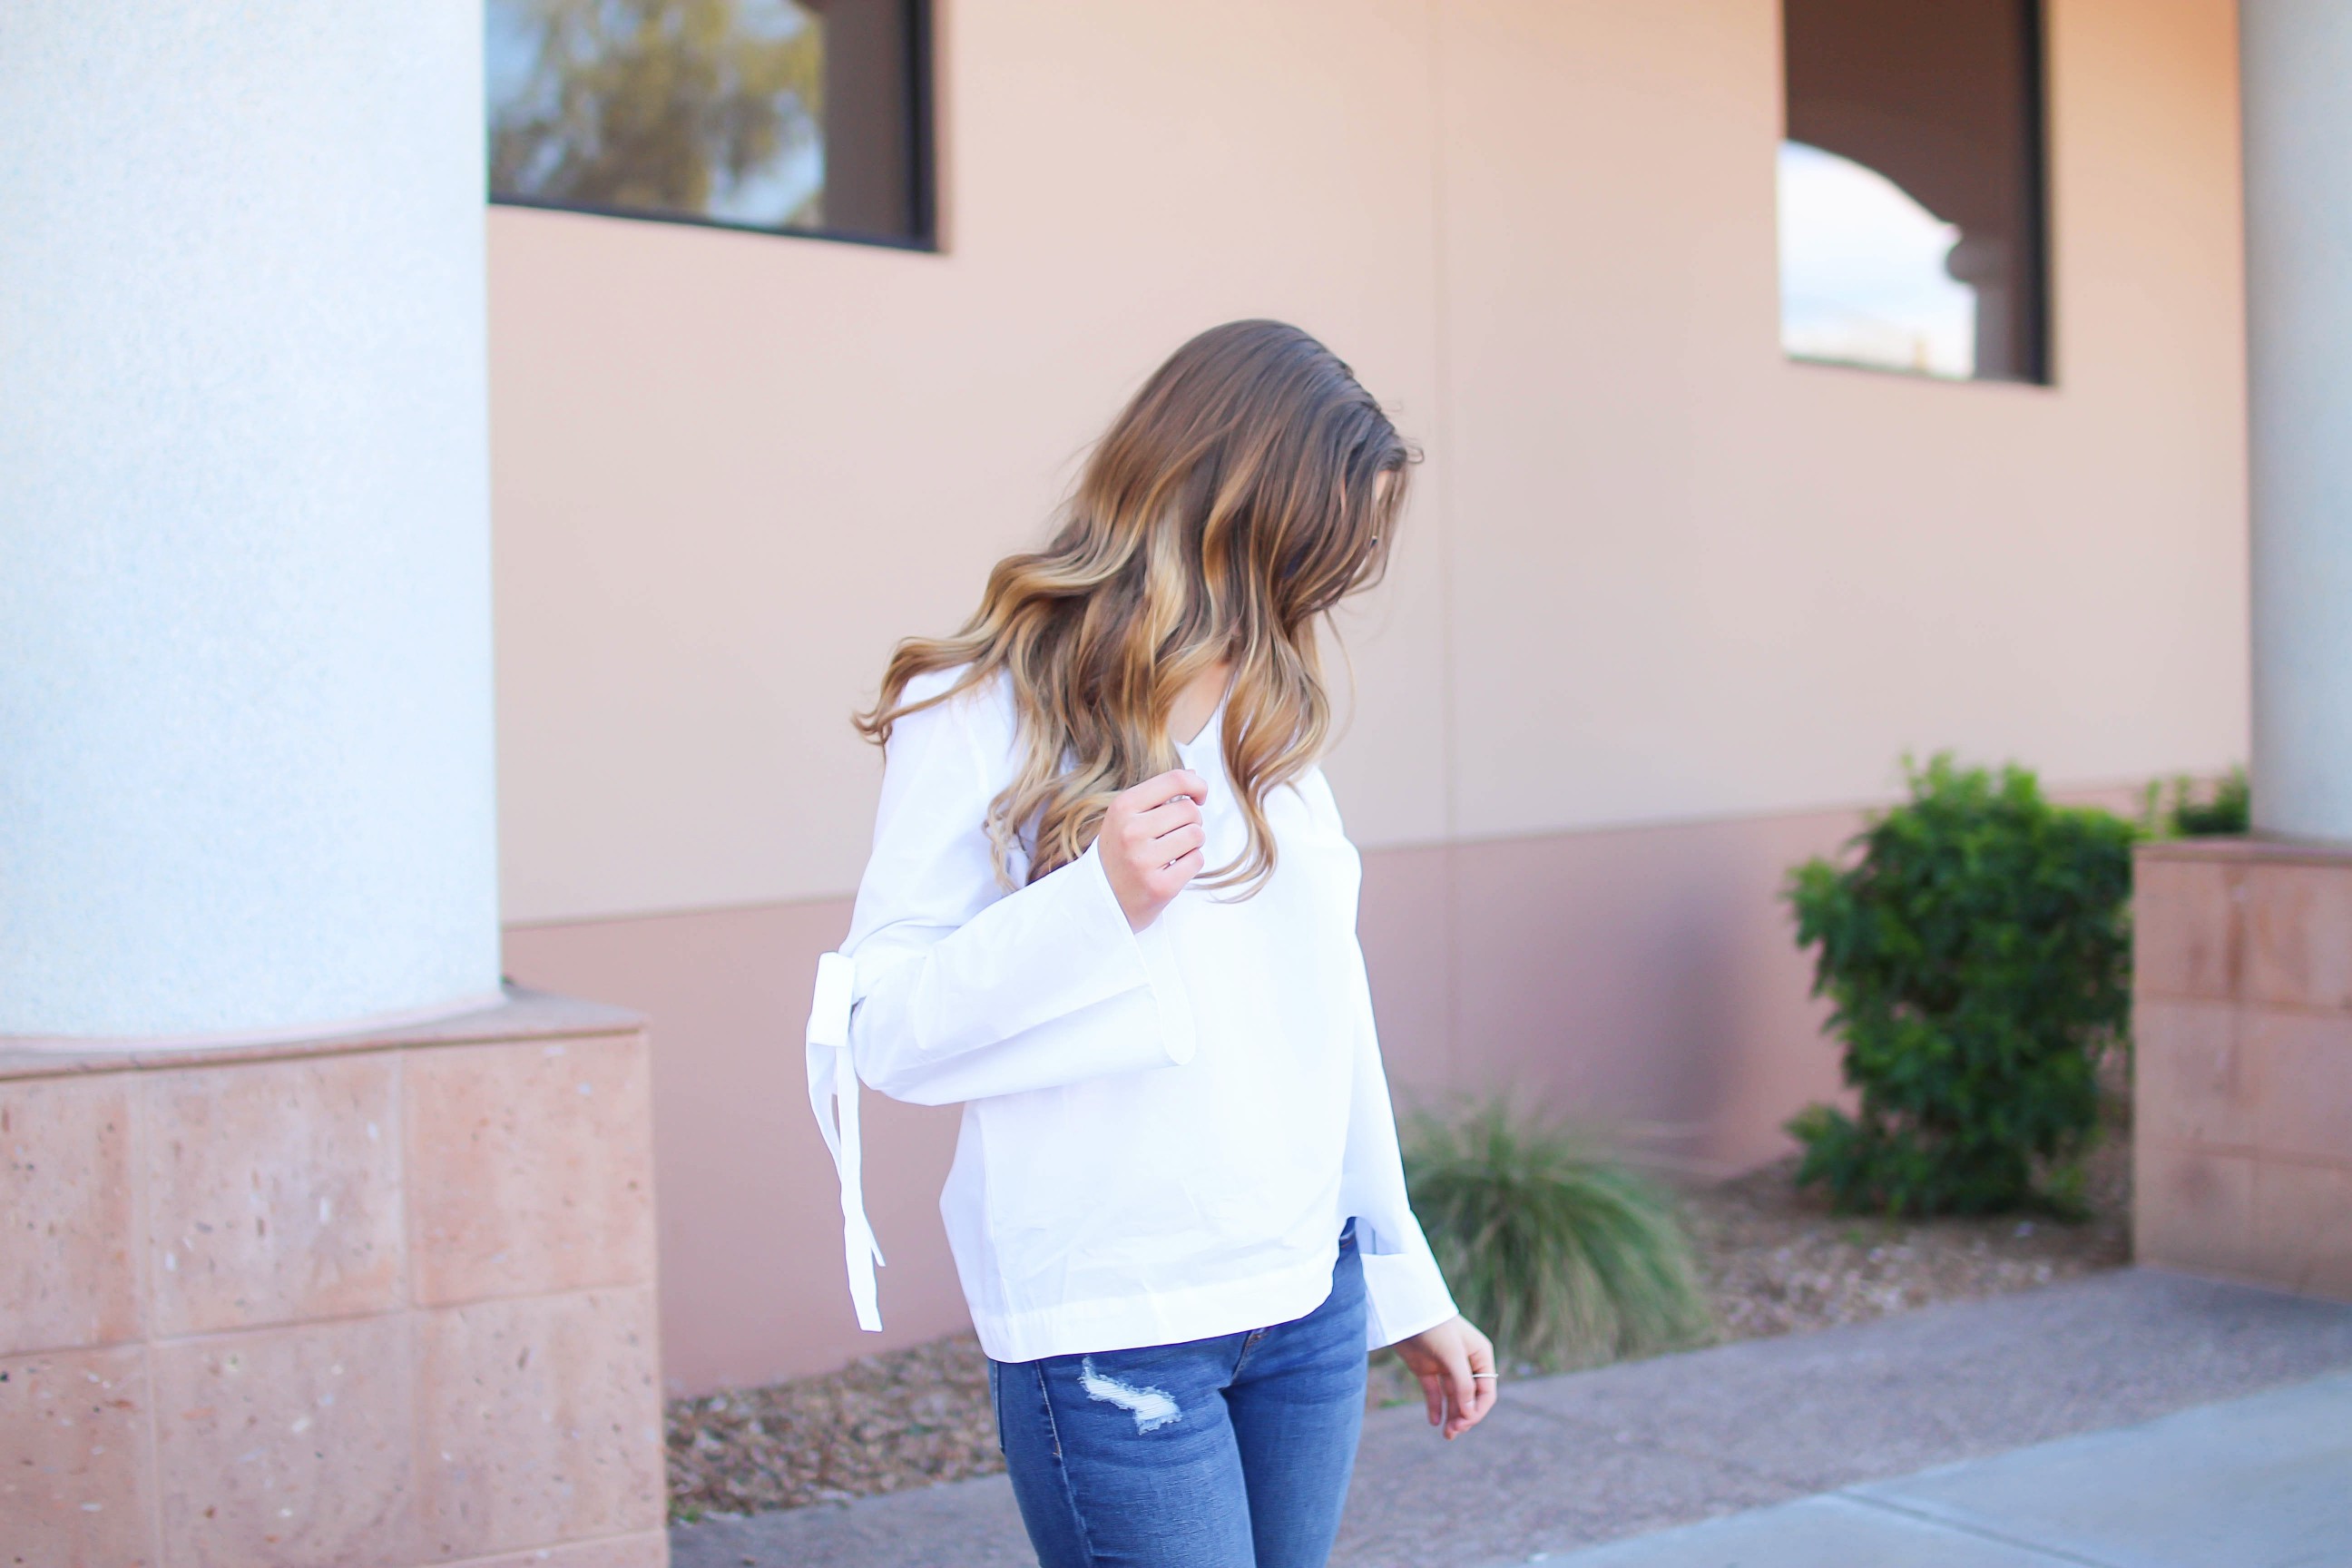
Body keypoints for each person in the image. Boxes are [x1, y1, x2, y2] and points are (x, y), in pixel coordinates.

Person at [804, 319, 1496, 1568]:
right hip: (1114, 1327)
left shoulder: (1267, 728)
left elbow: (1327, 1018)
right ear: (1232, 520)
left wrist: (1408, 1284)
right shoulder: (974, 709)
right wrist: (1093, 904)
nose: (1333, 592)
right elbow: (884, 1033)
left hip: (1307, 1309)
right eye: (1320, 552)